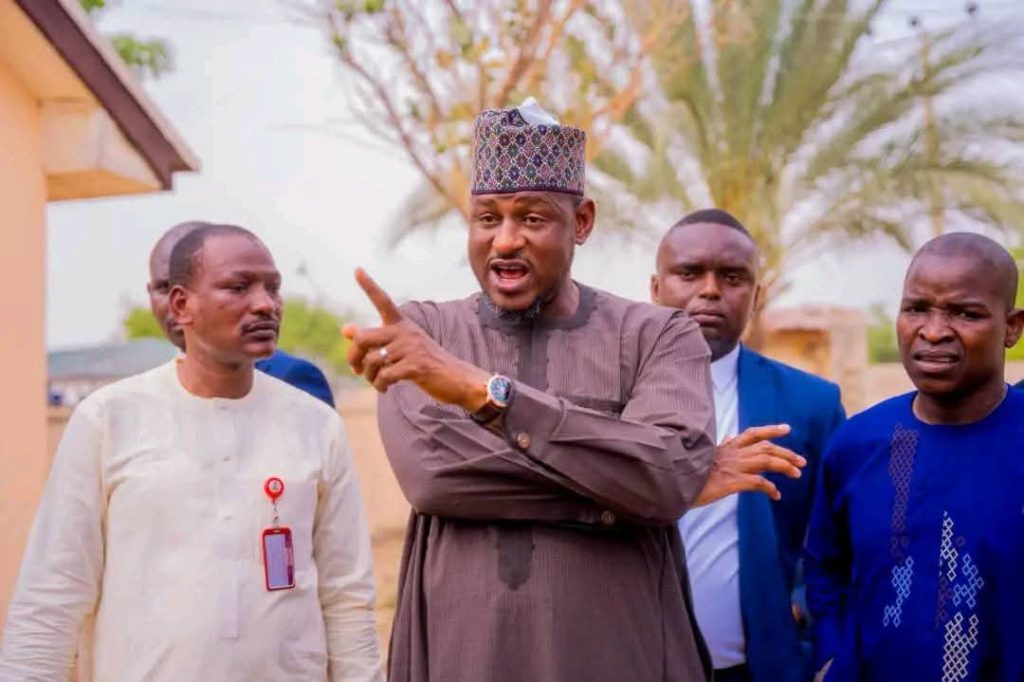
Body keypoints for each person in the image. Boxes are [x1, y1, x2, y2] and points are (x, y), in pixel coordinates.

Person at [342, 99, 805, 682]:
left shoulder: (658, 334)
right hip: (464, 658)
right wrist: (633, 491)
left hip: (623, 658)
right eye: (487, 218)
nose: (505, 241)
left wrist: (483, 395)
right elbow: (433, 479)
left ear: (581, 222)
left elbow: (663, 479)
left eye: (532, 218)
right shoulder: (425, 332)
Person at [0, 224, 382, 681]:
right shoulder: (108, 420)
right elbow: (53, 595)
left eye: (273, 288)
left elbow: (346, 598)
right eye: (238, 287)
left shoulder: (316, 426)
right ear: (181, 305)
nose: (265, 304)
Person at [805, 232, 1024, 681]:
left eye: (965, 313)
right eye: (916, 309)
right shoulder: (856, 444)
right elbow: (825, 567)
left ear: (1012, 327)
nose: (934, 331)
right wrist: (833, 658)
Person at [651, 209, 845, 682]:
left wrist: (800, 606)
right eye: (689, 273)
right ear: (656, 289)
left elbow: (838, 532)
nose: (710, 290)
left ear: (756, 297)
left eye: (733, 277)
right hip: (631, 662)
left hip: (759, 668)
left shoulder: (811, 403)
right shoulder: (609, 395)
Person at [149, 221, 335, 406]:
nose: (265, 305)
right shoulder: (140, 401)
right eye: (164, 288)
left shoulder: (293, 383)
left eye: (273, 288)